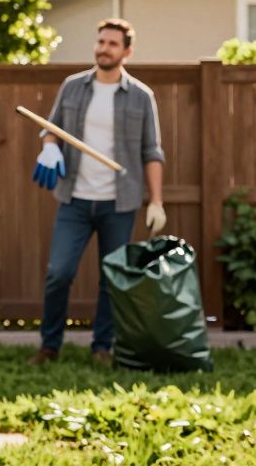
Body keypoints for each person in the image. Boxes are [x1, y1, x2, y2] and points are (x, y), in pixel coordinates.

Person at [26, 19, 166, 367]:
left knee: (111, 278)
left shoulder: (141, 96)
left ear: (127, 52)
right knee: (59, 273)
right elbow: (51, 129)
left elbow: (152, 152)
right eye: (101, 41)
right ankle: (49, 346)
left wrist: (156, 201)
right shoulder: (73, 87)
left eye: (113, 44)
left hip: (119, 203)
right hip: (74, 199)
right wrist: (49, 147)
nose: (104, 48)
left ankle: (102, 347)